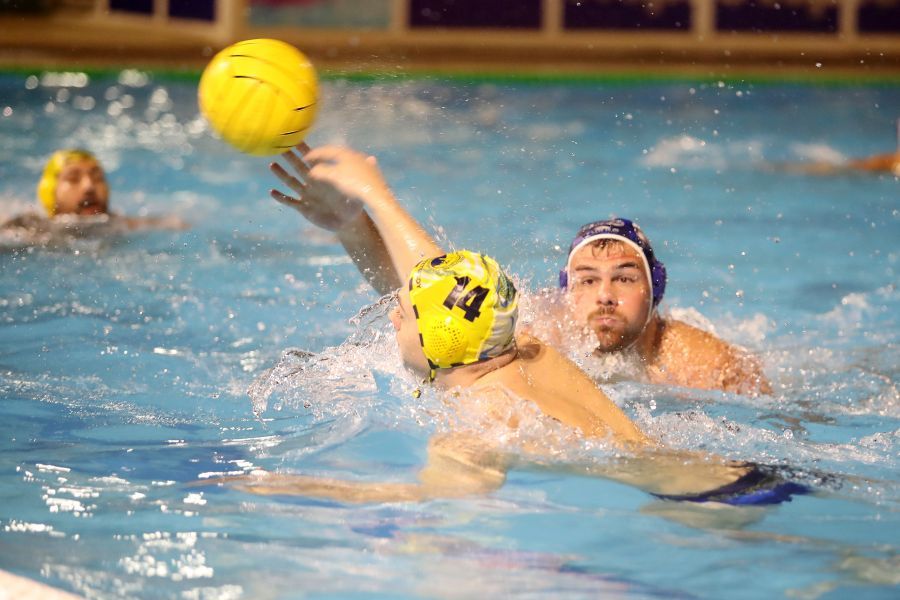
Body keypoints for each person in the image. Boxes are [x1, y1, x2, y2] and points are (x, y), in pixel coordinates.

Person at [221, 249, 807, 506]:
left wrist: (302, 488)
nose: (392, 319)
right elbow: (468, 299)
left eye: (403, 314)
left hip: (707, 499)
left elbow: (446, 496)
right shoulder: (528, 350)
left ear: (439, 338)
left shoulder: (481, 414)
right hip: (734, 470)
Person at [266, 143, 769, 395]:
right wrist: (352, 227)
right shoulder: (545, 329)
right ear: (566, 291)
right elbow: (437, 303)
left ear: (655, 290)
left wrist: (376, 195)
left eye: (624, 277)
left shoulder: (708, 367)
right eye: (587, 280)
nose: (604, 295)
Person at [1, 148, 187, 235]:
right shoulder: (28, 229)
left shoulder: (121, 224)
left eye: (98, 178)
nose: (89, 186)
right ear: (50, 192)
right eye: (73, 178)